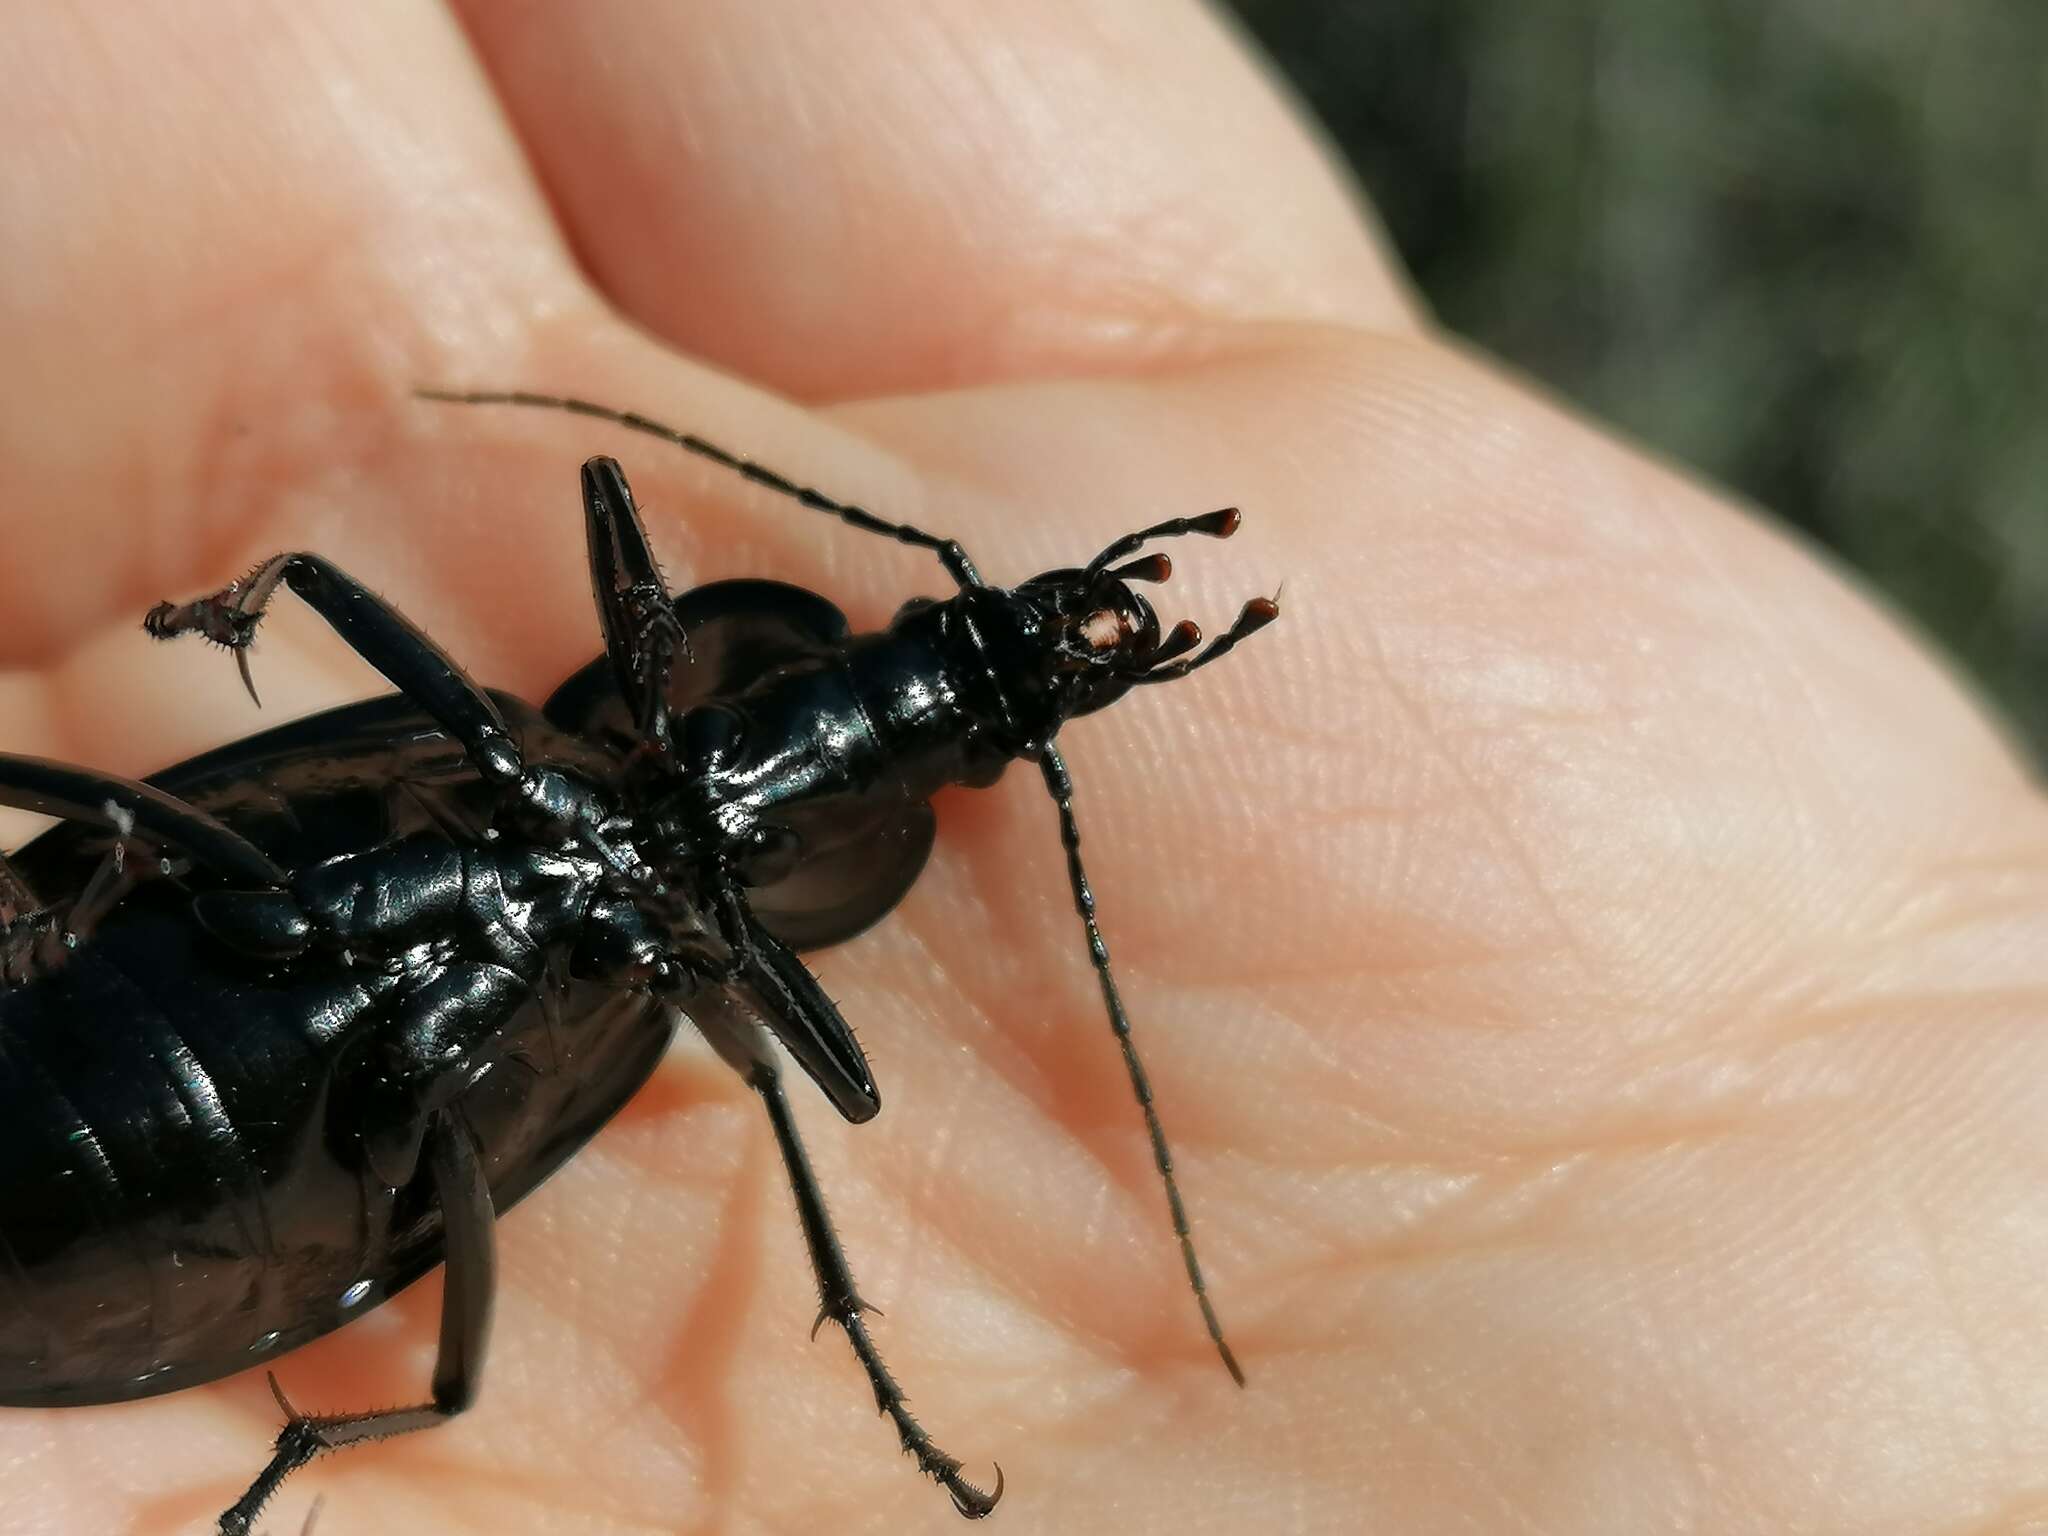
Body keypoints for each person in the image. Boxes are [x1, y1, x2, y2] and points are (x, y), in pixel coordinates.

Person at [2, 4, 2041, 1531]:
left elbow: (831, 1088)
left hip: (277, 1052)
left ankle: (332, 1436)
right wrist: (257, 596)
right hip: (210, 997)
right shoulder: (612, 849)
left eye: (971, 711)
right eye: (932, 664)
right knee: (133, 823)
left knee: (496, 1325)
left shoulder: (651, 906)